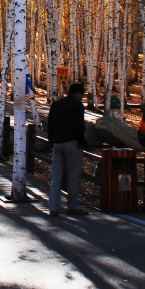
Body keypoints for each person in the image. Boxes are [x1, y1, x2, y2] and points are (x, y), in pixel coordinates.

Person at [46, 82, 89, 217]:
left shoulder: (56, 104)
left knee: (56, 175)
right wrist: (82, 142)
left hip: (57, 143)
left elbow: (50, 124)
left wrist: (51, 142)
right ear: (78, 94)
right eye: (82, 95)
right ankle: (73, 205)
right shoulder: (77, 105)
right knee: (73, 174)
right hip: (72, 143)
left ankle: (53, 207)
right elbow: (79, 126)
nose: (81, 98)